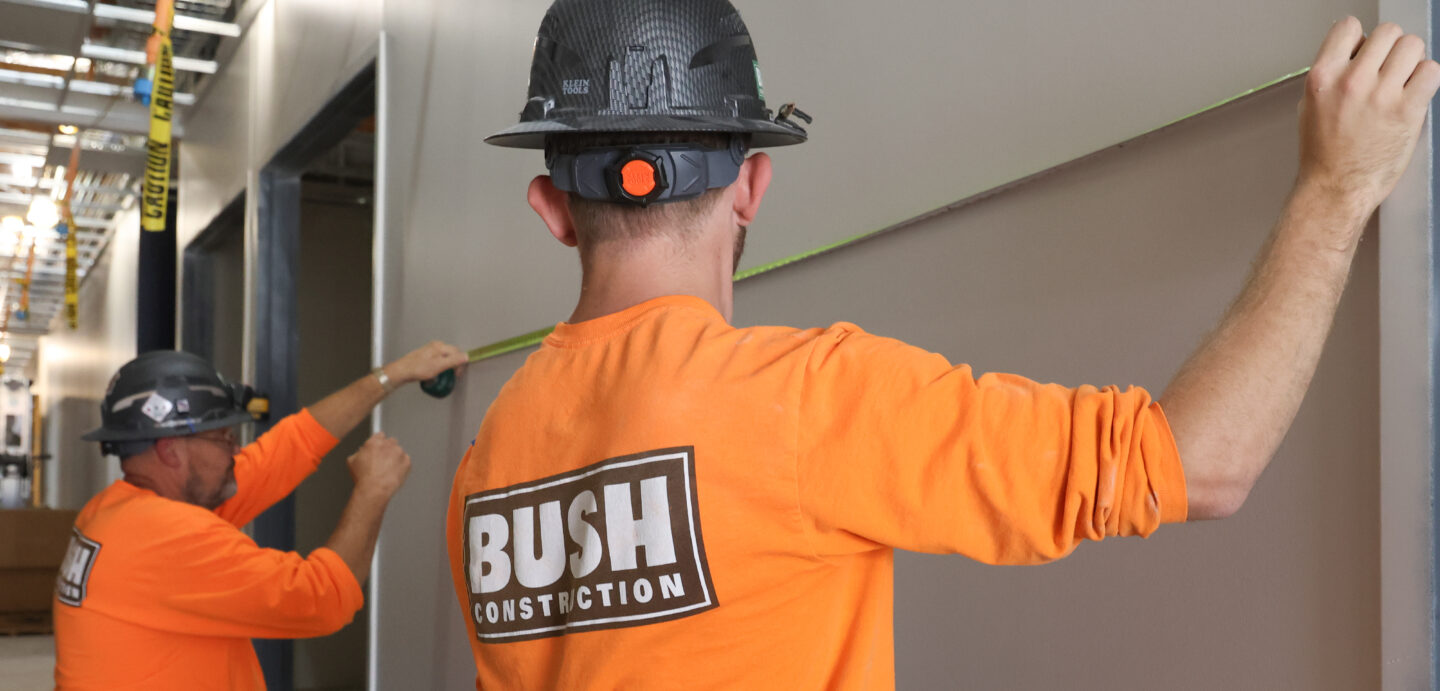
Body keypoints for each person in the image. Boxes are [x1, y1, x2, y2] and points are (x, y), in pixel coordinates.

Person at [446, 1, 1440, 686]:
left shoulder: (487, 463)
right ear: (750, 184)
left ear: (552, 208)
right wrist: (1338, 186)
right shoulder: (806, 400)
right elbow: (1197, 462)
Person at [54, 343, 467, 690]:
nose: (236, 450)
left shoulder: (115, 511)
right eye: (224, 437)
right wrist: (373, 491)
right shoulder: (166, 536)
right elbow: (320, 600)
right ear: (171, 451)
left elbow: (292, 445)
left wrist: (391, 376)